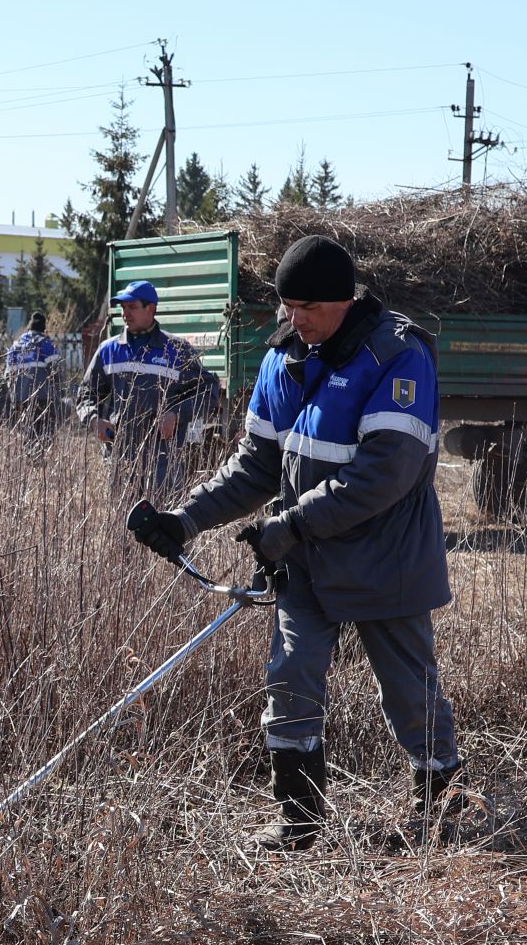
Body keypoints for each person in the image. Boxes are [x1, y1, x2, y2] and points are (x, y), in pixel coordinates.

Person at [129, 235, 459, 851]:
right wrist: (185, 520)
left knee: (408, 689)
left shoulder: (397, 358)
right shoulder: (284, 360)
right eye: (287, 305)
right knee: (291, 676)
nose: (294, 318)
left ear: (341, 300)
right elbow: (255, 466)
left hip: (384, 559)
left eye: (306, 306)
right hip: (304, 559)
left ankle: (442, 800)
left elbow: (383, 474)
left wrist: (290, 526)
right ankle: (300, 821)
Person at [77, 280, 205, 497]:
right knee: (123, 526)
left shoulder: (176, 350)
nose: (125, 314)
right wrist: (93, 419)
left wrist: (176, 414)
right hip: (121, 460)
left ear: (151, 309)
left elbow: (206, 391)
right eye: (123, 308)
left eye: (132, 307)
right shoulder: (109, 350)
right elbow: (85, 395)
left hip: (164, 462)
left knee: (165, 525)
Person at [4, 310, 63, 438]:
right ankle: (39, 456)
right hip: (42, 398)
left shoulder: (15, 347)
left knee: (25, 435)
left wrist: (14, 395)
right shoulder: (45, 345)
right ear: (43, 328)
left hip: (20, 399)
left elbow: (8, 375)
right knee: (43, 435)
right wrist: (59, 393)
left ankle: (26, 456)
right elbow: (56, 372)